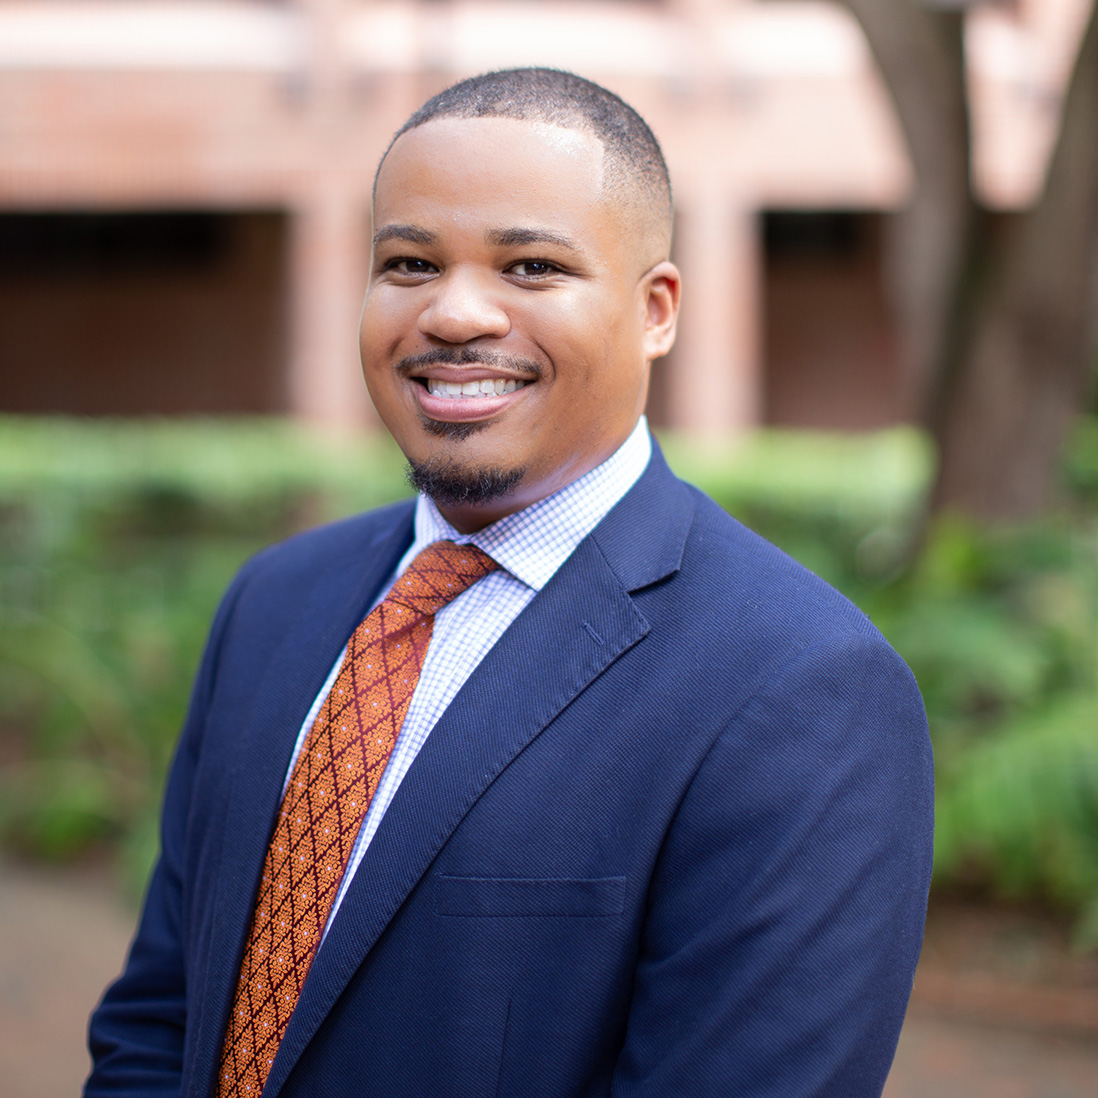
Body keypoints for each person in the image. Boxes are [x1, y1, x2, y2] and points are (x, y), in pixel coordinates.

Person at [85, 68, 933, 1098]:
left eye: (532, 266)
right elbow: (161, 1021)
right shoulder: (273, 604)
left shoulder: (802, 687)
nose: (453, 313)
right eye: (409, 263)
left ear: (655, 310)